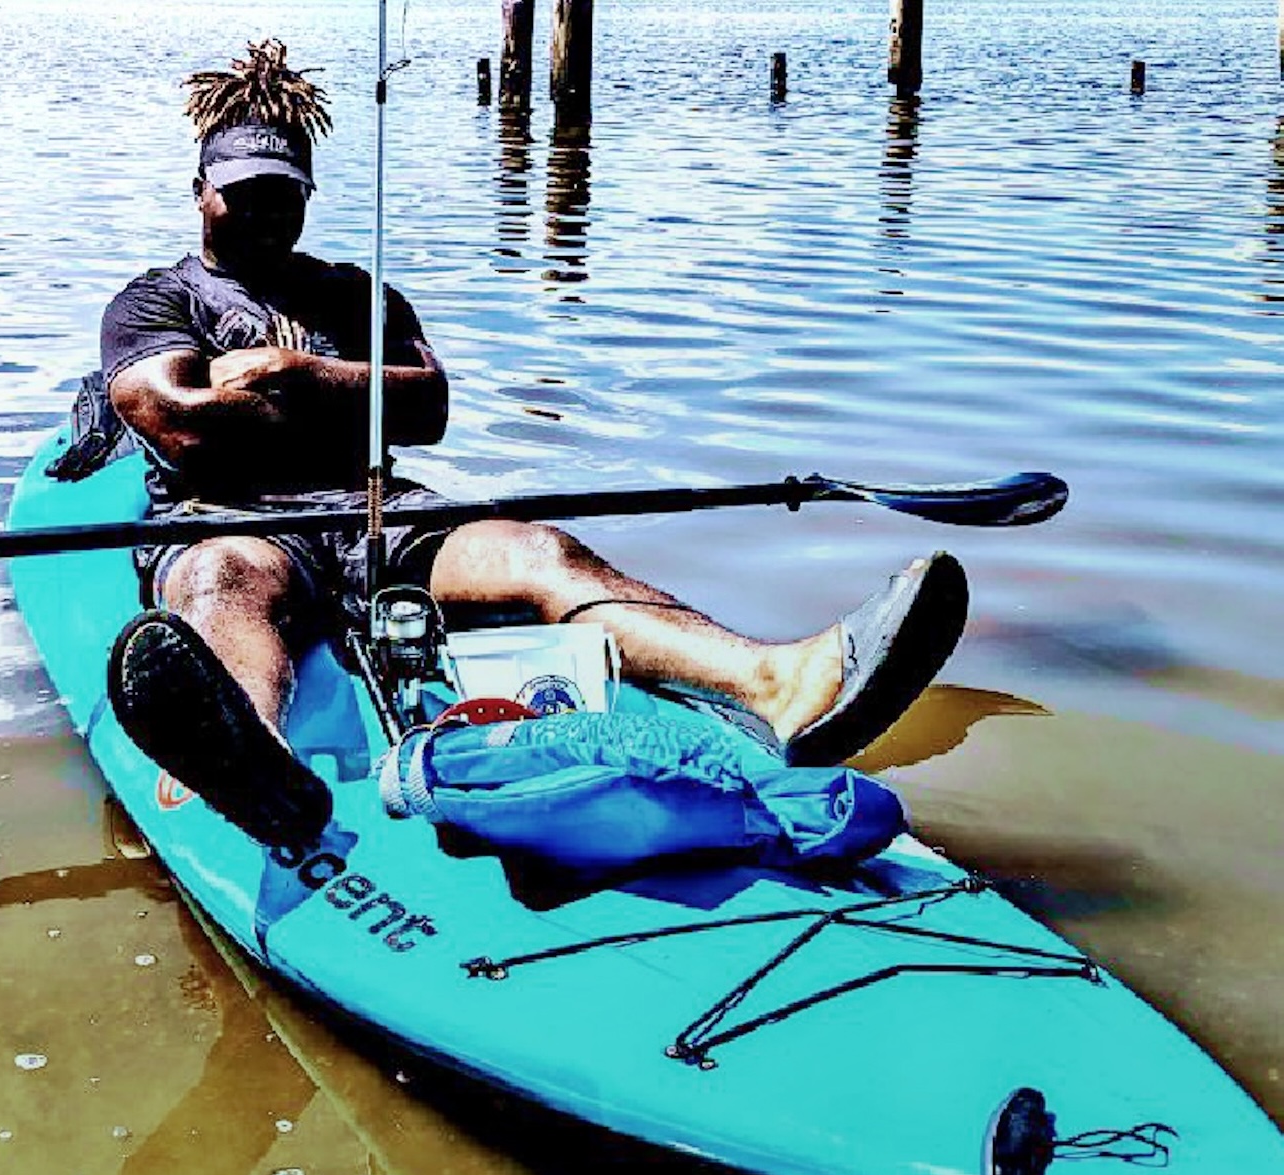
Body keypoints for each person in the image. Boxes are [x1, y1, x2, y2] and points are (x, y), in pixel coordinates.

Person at [93, 41, 967, 849]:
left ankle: (778, 682)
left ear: (309, 196)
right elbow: (177, 419)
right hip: (232, 520)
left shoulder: (359, 293)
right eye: (242, 192)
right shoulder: (157, 300)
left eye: (283, 193)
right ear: (202, 190)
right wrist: (353, 397)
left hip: (379, 512)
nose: (263, 211)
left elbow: (427, 406)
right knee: (223, 579)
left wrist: (288, 373)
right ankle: (252, 771)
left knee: (540, 548)